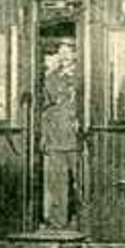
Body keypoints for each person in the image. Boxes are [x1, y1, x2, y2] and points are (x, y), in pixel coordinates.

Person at [40, 43, 80, 228]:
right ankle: (58, 221)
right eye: (60, 52)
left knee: (81, 181)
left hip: (79, 139)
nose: (63, 56)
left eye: (67, 52)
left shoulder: (82, 75)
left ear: (75, 54)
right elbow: (45, 109)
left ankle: (83, 219)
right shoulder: (51, 78)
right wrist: (45, 136)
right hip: (56, 138)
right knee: (57, 183)